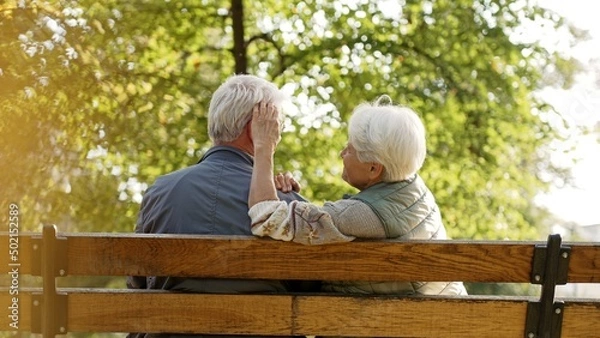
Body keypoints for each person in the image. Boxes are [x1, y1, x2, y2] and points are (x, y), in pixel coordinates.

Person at [127, 74, 307, 337]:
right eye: (276, 125)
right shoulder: (285, 205)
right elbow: (311, 290)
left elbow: (138, 282)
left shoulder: (161, 191)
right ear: (255, 128)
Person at [248, 97, 467, 296]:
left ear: (374, 169)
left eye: (350, 149)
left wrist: (264, 146)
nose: (342, 154)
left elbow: (265, 218)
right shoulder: (414, 189)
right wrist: (293, 199)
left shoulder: (364, 215)